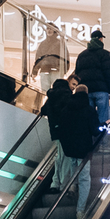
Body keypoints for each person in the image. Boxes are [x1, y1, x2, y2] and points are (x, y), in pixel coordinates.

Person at [42, 76, 99, 208]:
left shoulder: (52, 96)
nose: (73, 87)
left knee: (61, 158)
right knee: (74, 167)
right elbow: (94, 129)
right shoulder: (68, 98)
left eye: (75, 85)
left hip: (59, 134)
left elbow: (43, 110)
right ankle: (65, 187)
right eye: (72, 84)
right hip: (76, 142)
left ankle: (58, 184)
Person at [73, 30, 110, 127]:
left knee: (88, 119)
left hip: (86, 91)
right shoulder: (105, 54)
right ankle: (102, 140)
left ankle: (91, 140)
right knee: (103, 120)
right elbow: (109, 73)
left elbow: (77, 74)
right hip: (101, 90)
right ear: (101, 39)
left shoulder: (81, 55)